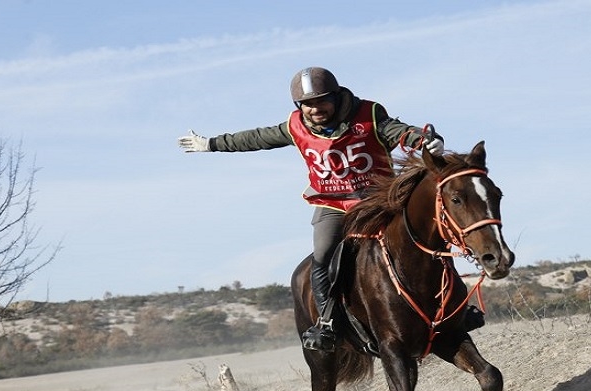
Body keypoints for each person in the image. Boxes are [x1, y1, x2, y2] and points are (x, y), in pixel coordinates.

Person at [178, 66, 480, 353]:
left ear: (336, 96)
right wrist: (211, 144)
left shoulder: (369, 115)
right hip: (331, 204)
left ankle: (458, 309)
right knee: (323, 254)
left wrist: (424, 140)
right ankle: (327, 323)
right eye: (306, 104)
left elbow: (399, 131)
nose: (314, 109)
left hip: (378, 199)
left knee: (428, 236)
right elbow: (256, 137)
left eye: (321, 101)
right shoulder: (295, 126)